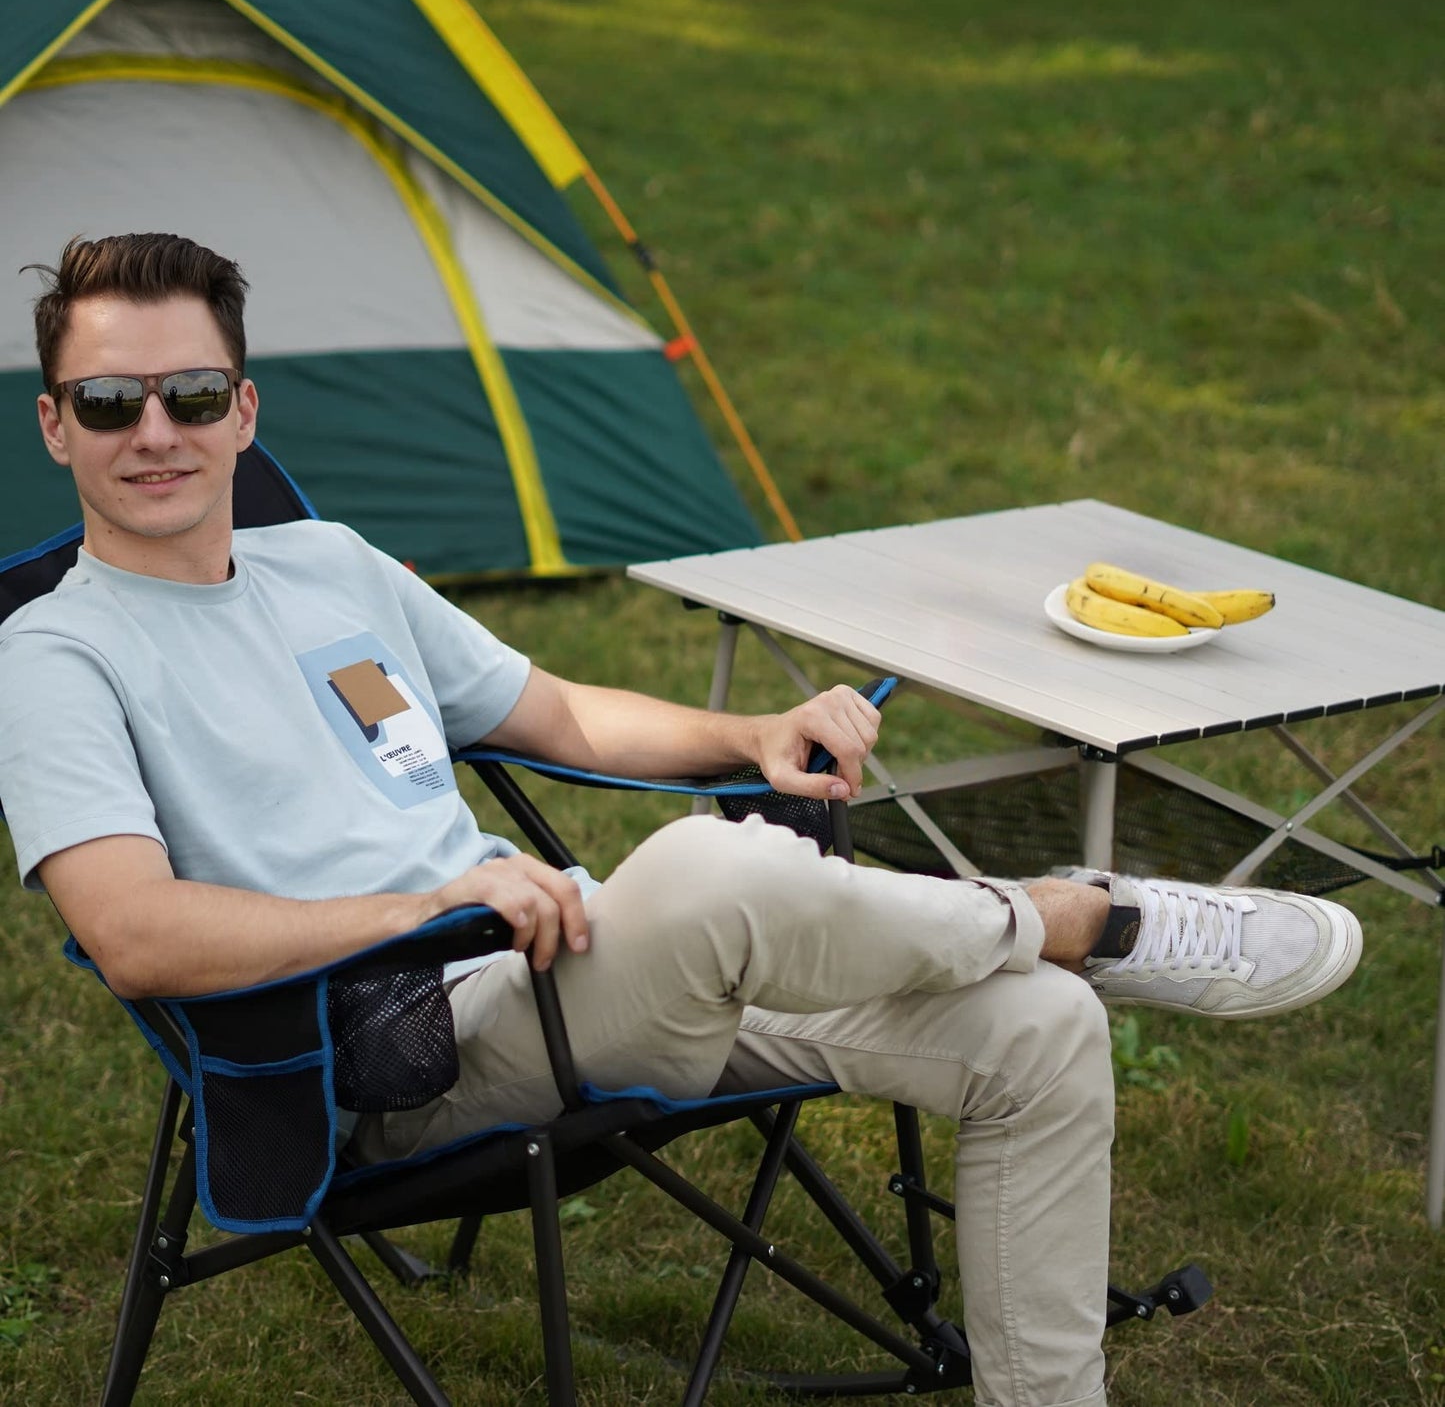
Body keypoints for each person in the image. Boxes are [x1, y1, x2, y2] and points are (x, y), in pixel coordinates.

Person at [0, 235, 1362, 1407]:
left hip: (585, 972)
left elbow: (563, 716)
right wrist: (423, 909)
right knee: (713, 867)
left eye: (187, 394)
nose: (154, 434)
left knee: (1039, 1031)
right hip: (396, 1045)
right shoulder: (58, 656)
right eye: (109, 401)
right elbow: (131, 932)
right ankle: (1076, 914)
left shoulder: (327, 563)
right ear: (56, 425)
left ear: (243, 410)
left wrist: (749, 736)